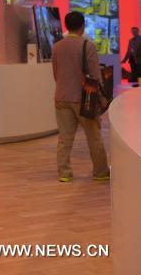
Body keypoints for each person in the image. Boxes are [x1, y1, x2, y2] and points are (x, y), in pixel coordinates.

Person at [51, 11, 110, 182]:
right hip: (85, 99)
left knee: (64, 138)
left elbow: (55, 73)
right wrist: (102, 97)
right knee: (94, 136)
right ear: (83, 25)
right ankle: (100, 172)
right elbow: (95, 75)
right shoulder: (87, 46)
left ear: (66, 26)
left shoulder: (57, 46)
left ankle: (64, 173)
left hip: (61, 97)